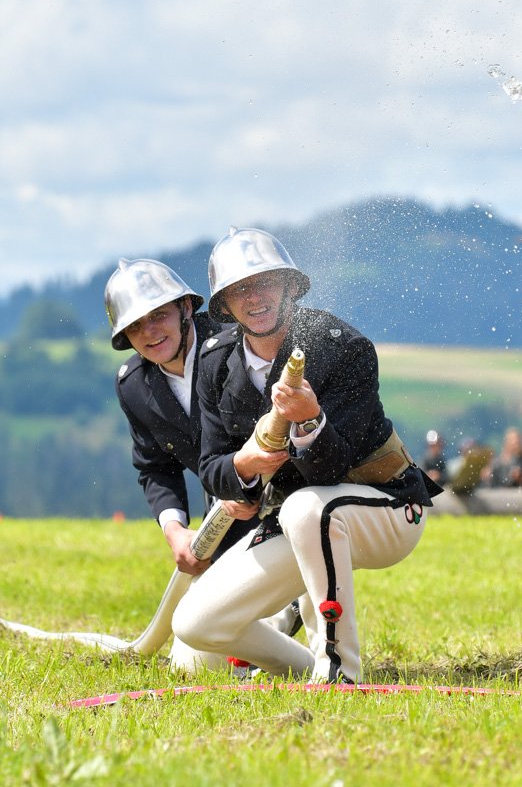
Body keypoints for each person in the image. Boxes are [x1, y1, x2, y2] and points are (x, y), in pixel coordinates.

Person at [172, 227, 442, 683]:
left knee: (305, 508)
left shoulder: (343, 347)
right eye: (239, 290)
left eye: (265, 282)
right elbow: (212, 467)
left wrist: (310, 420)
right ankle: (303, 668)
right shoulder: (215, 361)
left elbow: (332, 469)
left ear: (290, 286)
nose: (254, 297)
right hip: (297, 520)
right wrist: (244, 466)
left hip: (388, 509)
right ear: (225, 306)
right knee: (196, 624)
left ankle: (339, 673)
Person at [106, 258, 300, 671]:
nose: (150, 332)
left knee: (257, 619)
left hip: (295, 508)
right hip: (226, 521)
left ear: (185, 308)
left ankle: (305, 630)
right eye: (135, 326)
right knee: (192, 664)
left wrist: (246, 482)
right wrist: (176, 532)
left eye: (158, 315)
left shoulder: (241, 343)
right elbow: (155, 468)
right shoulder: (133, 385)